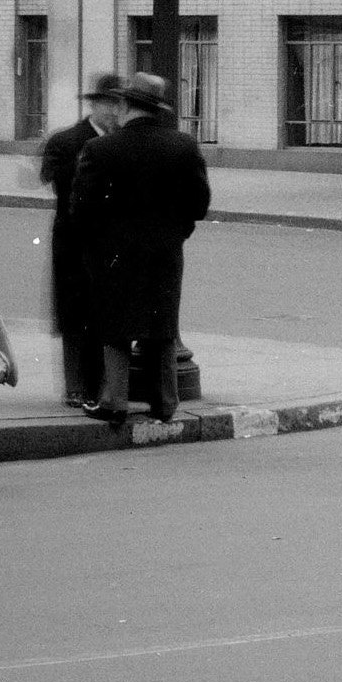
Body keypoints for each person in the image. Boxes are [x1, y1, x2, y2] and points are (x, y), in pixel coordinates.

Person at [91, 70, 211, 428]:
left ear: (125, 106)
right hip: (165, 251)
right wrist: (176, 233)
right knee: (162, 324)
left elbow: (83, 207)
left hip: (115, 251)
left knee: (115, 325)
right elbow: (199, 204)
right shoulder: (183, 146)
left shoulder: (102, 149)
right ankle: (165, 402)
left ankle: (114, 400)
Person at [39, 74, 126, 410]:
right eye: (109, 104)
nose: (115, 111)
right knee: (74, 313)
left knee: (104, 313)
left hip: (109, 244)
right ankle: (75, 386)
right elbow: (56, 181)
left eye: (120, 104)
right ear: (95, 105)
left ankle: (98, 385)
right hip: (74, 241)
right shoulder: (66, 141)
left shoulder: (123, 142)